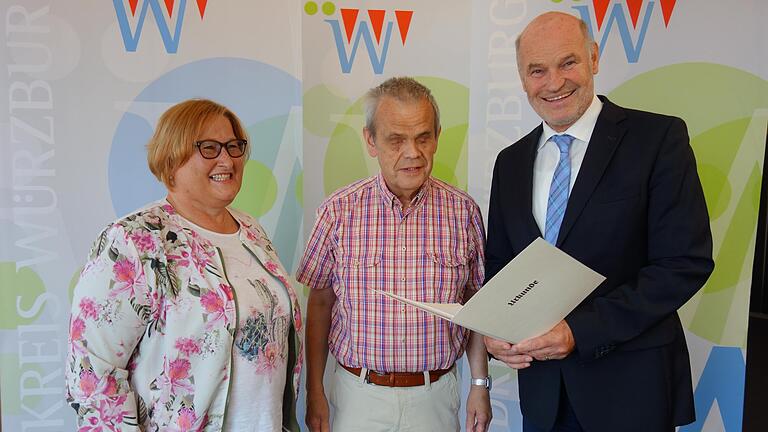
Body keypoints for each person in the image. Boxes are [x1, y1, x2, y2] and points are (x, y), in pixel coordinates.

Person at [483, 12, 714, 432]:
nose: (554, 83)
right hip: (543, 395)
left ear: (593, 58)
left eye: (567, 62)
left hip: (631, 392)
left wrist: (580, 331)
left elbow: (684, 263)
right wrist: (497, 330)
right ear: (522, 79)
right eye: (538, 70)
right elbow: (501, 264)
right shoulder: (510, 162)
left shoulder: (658, 140)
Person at [65, 99, 303, 431]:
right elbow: (93, 371)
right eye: (209, 148)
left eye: (234, 147)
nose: (227, 159)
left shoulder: (251, 230)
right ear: (172, 155)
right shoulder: (133, 240)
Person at [297, 77, 492, 432]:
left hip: (435, 396)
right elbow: (320, 303)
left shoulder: (464, 212)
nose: (412, 153)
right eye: (396, 140)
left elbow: (476, 305)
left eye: (423, 138)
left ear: (437, 136)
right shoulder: (337, 211)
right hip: (358, 396)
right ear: (370, 140)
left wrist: (480, 384)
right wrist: (314, 391)